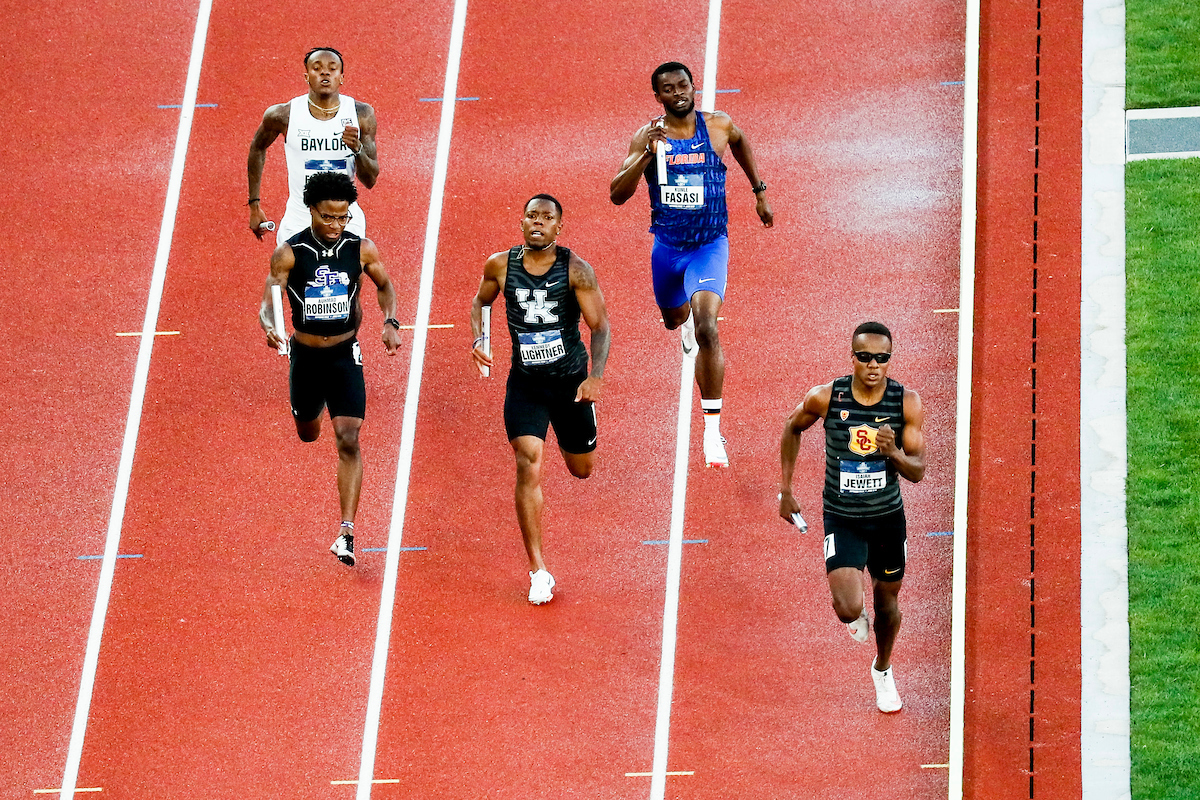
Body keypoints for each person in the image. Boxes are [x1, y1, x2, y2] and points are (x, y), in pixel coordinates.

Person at [609, 61, 773, 468]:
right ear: (658, 96)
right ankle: (680, 321)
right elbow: (617, 194)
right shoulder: (647, 137)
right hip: (667, 248)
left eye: (683, 84)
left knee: (707, 327)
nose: (678, 92)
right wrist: (645, 156)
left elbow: (740, 142)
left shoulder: (717, 125)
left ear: (693, 86)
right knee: (674, 319)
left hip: (709, 245)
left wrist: (759, 191)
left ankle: (712, 429)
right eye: (668, 88)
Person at [777, 322, 926, 712]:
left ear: (890, 360)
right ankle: (854, 612)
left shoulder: (906, 403)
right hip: (842, 516)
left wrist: (893, 453)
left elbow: (918, 471)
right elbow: (792, 428)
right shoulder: (826, 397)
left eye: (882, 358)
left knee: (887, 605)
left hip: (887, 518)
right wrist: (787, 489)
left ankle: (883, 668)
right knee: (847, 608)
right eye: (865, 357)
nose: (873, 365)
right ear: (852, 358)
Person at [470, 194, 611, 605]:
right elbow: (480, 302)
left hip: (571, 384)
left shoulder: (576, 271)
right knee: (527, 461)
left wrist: (596, 379)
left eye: (546, 218)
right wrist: (481, 338)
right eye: (531, 215)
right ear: (521, 221)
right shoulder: (500, 265)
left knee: (581, 470)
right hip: (526, 383)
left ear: (558, 227)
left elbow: (600, 327)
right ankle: (538, 569)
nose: (538, 222)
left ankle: (586, 424)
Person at [259, 171, 401, 567]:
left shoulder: (362, 249)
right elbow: (268, 299)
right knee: (308, 432)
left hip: (344, 355)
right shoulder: (289, 252)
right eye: (328, 217)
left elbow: (385, 287)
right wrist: (270, 325)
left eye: (343, 218)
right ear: (311, 211)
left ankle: (346, 533)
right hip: (305, 357)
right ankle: (312, 410)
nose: (336, 225)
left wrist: (390, 321)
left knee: (349, 438)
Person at [247, 47, 380, 244]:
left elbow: (370, 180)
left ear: (341, 77)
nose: (325, 73)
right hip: (299, 218)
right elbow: (257, 148)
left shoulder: (361, 114)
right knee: (286, 274)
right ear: (306, 76)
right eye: (317, 68)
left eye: (332, 68)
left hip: (345, 219)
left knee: (350, 275)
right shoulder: (283, 115)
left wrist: (357, 149)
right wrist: (254, 205)